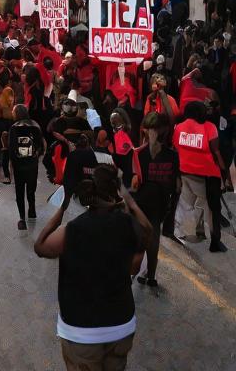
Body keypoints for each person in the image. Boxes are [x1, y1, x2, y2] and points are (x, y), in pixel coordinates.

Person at [35, 165, 151, 371]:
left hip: (81, 330)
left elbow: (40, 246)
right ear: (117, 190)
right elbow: (136, 261)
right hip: (120, 325)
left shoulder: (72, 230)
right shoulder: (129, 226)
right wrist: (130, 202)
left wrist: (61, 210)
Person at [173, 100, 231, 252]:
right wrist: (225, 175)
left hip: (185, 172)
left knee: (189, 204)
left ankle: (190, 233)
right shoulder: (209, 127)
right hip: (208, 175)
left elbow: (176, 149)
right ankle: (215, 241)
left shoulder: (179, 128)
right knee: (213, 209)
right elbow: (217, 153)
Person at [131, 112, 179, 291]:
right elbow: (175, 187)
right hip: (160, 205)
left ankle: (131, 276)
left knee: (137, 241)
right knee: (153, 240)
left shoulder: (138, 154)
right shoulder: (173, 156)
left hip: (141, 204)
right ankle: (151, 276)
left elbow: (134, 184)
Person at [4, 103, 45, 230]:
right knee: (31, 189)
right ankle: (32, 210)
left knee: (19, 191)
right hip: (32, 164)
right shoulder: (35, 125)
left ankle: (22, 218)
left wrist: (10, 165)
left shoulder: (14, 128)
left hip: (19, 165)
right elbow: (41, 147)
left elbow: (11, 149)